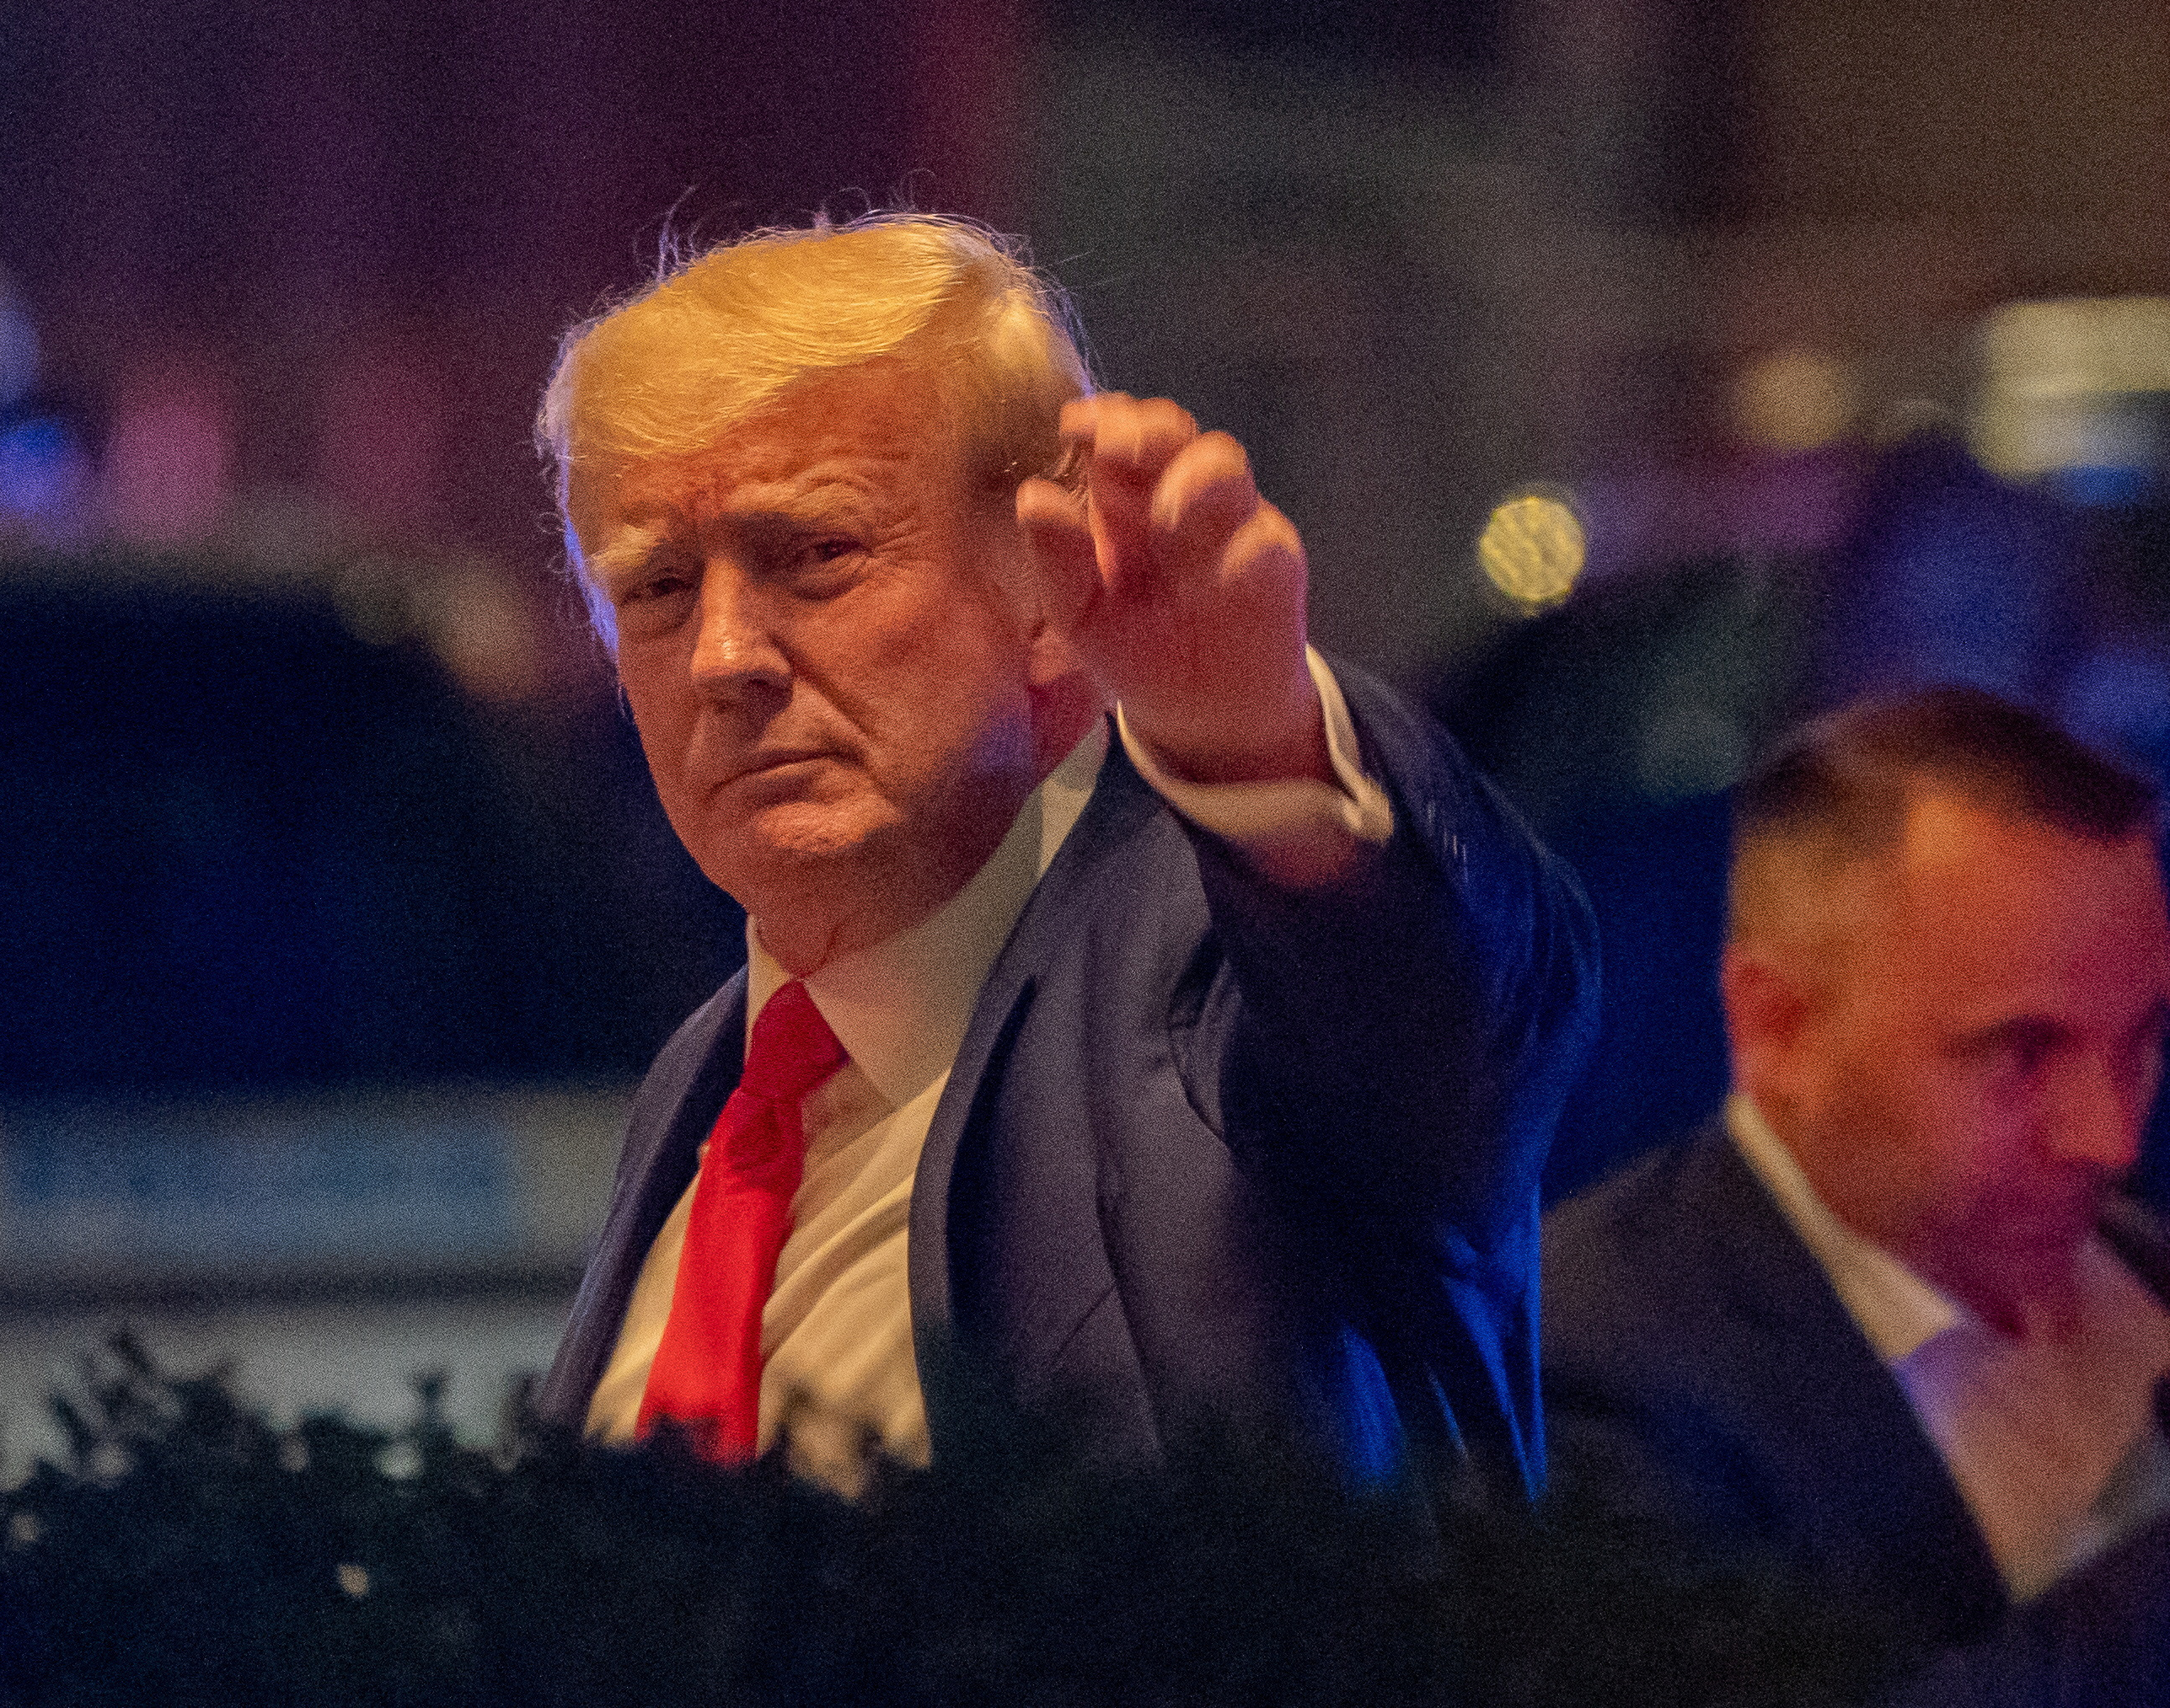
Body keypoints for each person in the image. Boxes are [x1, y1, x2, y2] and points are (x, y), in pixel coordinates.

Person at [529, 213, 1598, 1492]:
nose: (722, 657)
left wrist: (1258, 755)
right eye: (656, 590)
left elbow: (1450, 1004)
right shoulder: (704, 1089)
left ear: (1049, 581)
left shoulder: (1219, 980)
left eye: (814, 554)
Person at [1544, 686, 2170, 1658]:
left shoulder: (2141, 1265)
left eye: (2140, 1039)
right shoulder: (1580, 1372)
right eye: (2021, 1052)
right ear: (1777, 1025)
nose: (2110, 1136)